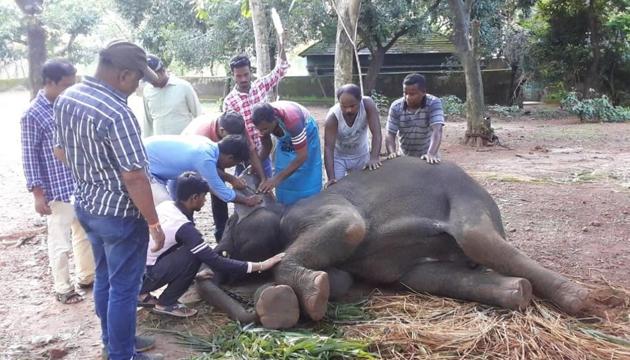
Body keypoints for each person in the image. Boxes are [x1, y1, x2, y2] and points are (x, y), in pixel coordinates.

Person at [54, 40, 165, 360]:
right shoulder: (118, 113)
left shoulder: (67, 97)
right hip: (120, 216)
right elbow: (134, 176)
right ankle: (122, 354)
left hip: (88, 206)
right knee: (125, 290)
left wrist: (91, 171)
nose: (138, 86)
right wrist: (154, 221)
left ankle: (114, 341)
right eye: (138, 80)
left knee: (105, 277)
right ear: (124, 75)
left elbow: (60, 150)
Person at [138, 171, 284, 317]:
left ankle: (141, 293)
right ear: (194, 198)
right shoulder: (185, 228)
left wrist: (194, 273)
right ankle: (166, 303)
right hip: (144, 277)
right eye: (204, 197)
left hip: (135, 270)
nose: (205, 201)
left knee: (193, 252)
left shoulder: (167, 205)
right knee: (195, 255)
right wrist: (261, 265)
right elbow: (216, 261)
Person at [20, 59, 95, 305]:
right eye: (64, 85)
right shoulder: (33, 114)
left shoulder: (68, 105)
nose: (69, 89)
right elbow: (30, 156)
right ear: (49, 83)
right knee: (60, 242)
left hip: (78, 184)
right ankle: (63, 288)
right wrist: (37, 194)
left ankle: (87, 277)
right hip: (55, 189)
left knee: (84, 234)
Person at [182, 111, 262, 241]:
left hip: (213, 157)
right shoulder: (202, 134)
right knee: (189, 197)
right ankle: (188, 237)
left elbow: (251, 151)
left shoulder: (236, 127)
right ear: (222, 131)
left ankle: (222, 233)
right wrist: (232, 179)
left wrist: (263, 179)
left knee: (218, 192)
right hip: (187, 164)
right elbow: (208, 169)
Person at [223, 35, 289, 180]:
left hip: (264, 150)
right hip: (244, 156)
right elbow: (232, 134)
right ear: (233, 75)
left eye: (246, 74)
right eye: (239, 76)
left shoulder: (260, 85)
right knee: (245, 188)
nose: (244, 79)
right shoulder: (230, 102)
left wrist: (282, 43)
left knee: (266, 187)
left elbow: (281, 69)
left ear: (250, 71)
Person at [144, 134, 262, 209]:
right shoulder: (204, 158)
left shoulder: (208, 145)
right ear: (230, 157)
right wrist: (247, 200)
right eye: (234, 163)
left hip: (154, 162)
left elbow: (210, 174)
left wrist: (231, 179)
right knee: (166, 209)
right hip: (145, 166)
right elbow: (221, 192)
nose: (231, 166)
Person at [251, 101, 322, 205]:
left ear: (275, 120)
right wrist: (256, 164)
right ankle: (285, 206)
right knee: (282, 169)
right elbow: (267, 146)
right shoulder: (262, 123)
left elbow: (302, 156)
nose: (262, 132)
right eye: (259, 130)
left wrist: (275, 179)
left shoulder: (293, 120)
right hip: (286, 135)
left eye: (265, 129)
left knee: (305, 171)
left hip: (306, 131)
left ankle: (308, 205)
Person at [324, 84, 382, 188]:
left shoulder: (368, 104)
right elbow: (328, 148)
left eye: (352, 106)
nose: (348, 110)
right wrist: (331, 178)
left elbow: (377, 133)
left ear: (360, 100)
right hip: (339, 157)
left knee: (365, 188)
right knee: (337, 189)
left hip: (361, 154)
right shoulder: (333, 117)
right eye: (344, 106)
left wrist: (374, 157)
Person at [385, 73, 445, 164]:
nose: (408, 97)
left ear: (424, 92)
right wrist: (392, 153)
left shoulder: (434, 103)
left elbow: (437, 130)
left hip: (427, 155)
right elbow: (390, 133)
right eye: (405, 93)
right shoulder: (396, 106)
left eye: (412, 94)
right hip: (404, 157)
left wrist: (431, 154)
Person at [142, 54, 202, 136]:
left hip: (184, 143)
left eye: (153, 78)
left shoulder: (184, 87)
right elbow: (147, 122)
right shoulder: (147, 91)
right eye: (148, 79)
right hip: (160, 144)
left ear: (162, 71)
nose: (151, 82)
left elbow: (199, 116)